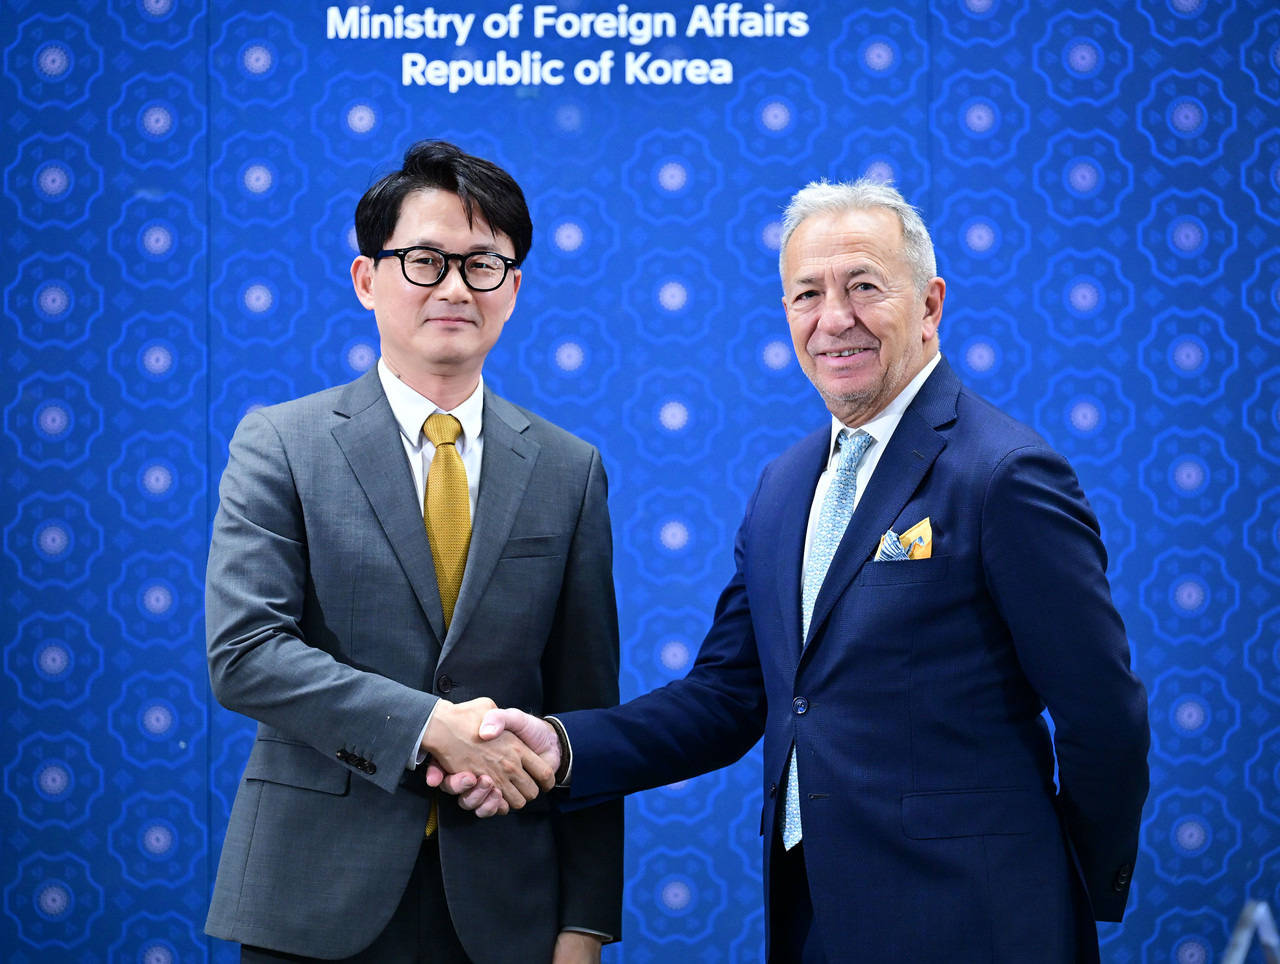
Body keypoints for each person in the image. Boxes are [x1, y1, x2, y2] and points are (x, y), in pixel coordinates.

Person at [438, 178, 1151, 963]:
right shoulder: (785, 485)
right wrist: (562, 747)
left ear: (930, 304)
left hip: (983, 922)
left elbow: (1104, 718)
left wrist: (1062, 883)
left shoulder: (1003, 474)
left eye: (864, 287)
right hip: (814, 921)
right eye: (805, 294)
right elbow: (728, 696)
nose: (832, 319)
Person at [204, 140, 623, 964]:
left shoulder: (570, 471)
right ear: (368, 280)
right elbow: (245, 655)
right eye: (425, 261)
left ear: (514, 289)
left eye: (484, 265)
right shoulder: (280, 444)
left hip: (509, 907)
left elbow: (587, 710)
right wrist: (433, 725)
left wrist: (586, 923)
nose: (456, 288)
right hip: (311, 898)